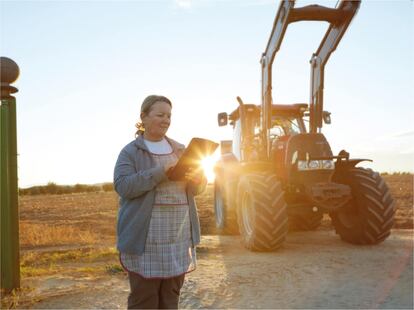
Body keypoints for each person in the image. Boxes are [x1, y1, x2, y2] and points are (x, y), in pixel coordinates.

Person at [114, 95, 207, 309]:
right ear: (143, 117)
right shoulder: (130, 152)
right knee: (144, 299)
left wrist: (198, 180)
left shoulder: (181, 150)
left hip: (177, 237)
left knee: (171, 296)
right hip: (146, 239)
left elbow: (197, 190)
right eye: (160, 115)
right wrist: (160, 172)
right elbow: (123, 186)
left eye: (169, 116)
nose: (166, 120)